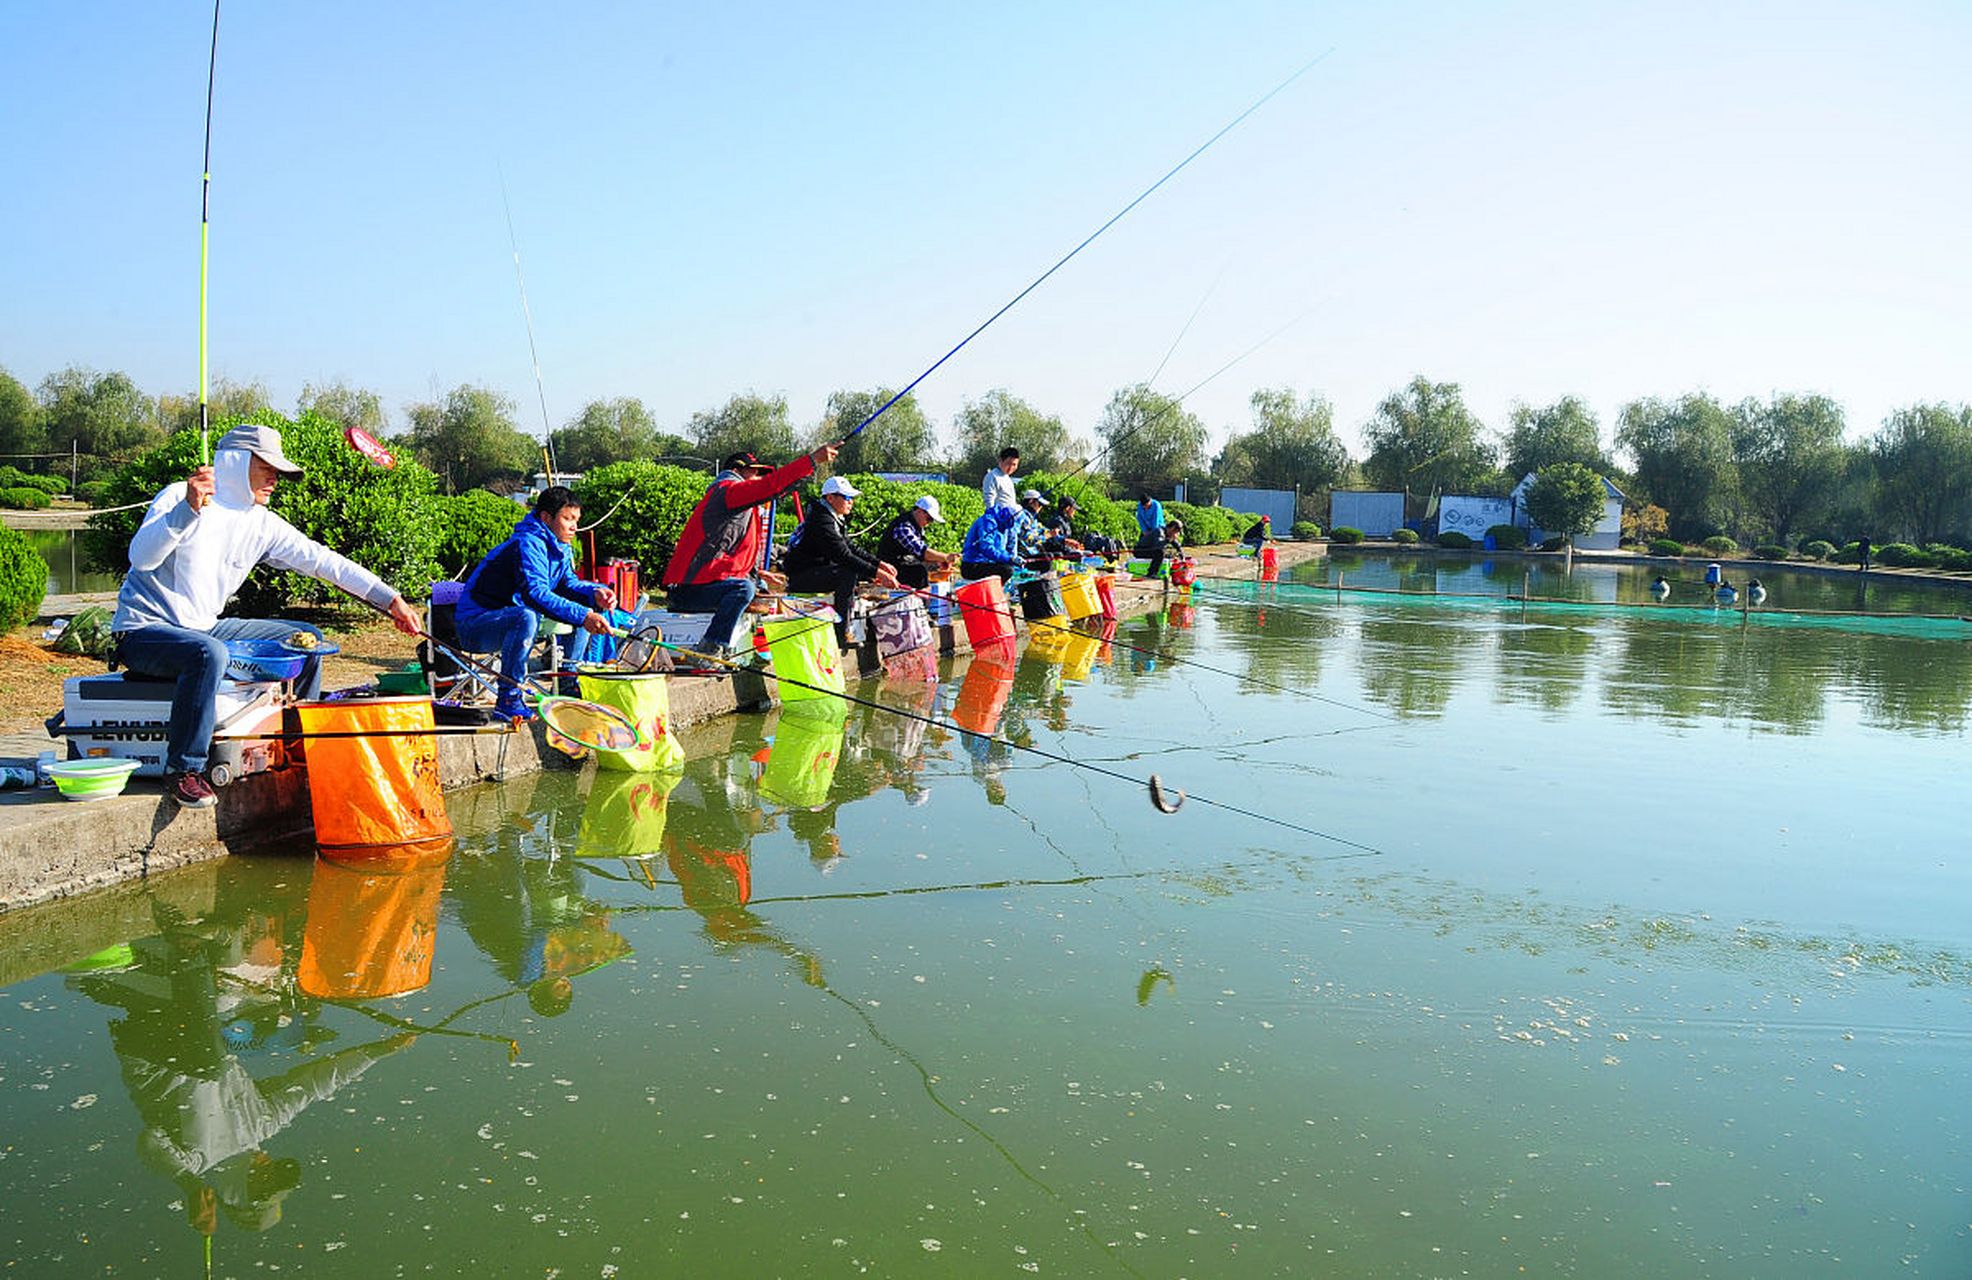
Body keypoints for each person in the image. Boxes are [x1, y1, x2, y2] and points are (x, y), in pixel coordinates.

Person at [112, 424, 423, 809]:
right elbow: (141, 558)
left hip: (205, 628)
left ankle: (295, 748)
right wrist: (186, 511)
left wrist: (390, 600)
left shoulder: (261, 523)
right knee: (208, 653)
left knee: (306, 640)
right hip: (145, 633)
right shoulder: (181, 496)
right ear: (235, 462)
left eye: (279, 471)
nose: (275, 479)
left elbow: (325, 562)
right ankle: (184, 771)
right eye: (268, 468)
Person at [455, 486, 617, 721]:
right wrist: (583, 615)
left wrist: (596, 592)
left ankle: (565, 683)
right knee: (528, 616)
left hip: (516, 621)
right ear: (546, 517)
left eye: (577, 520)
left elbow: (568, 584)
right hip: (475, 626)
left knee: (583, 603)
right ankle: (508, 698)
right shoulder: (527, 543)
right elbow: (535, 593)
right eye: (568, 519)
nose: (574, 526)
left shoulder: (560, 545)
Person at [662, 444, 838, 657]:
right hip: (686, 591)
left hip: (704, 586)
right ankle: (711, 647)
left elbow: (727, 552)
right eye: (754, 472)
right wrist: (812, 460)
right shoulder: (728, 491)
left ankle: (754, 650)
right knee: (743, 589)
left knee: (759, 588)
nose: (758, 478)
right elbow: (770, 487)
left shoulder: (733, 501)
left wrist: (759, 575)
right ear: (737, 471)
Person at [780, 475, 900, 645]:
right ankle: (841, 634)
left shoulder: (833, 517)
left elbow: (851, 548)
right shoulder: (821, 521)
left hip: (817, 569)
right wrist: (879, 573)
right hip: (801, 576)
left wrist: (880, 564)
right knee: (848, 573)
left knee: (857, 572)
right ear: (830, 498)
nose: (851, 502)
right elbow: (842, 556)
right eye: (847, 498)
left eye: (851, 498)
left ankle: (853, 627)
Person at [875, 494, 956, 589]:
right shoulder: (903, 527)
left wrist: (938, 562)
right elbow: (921, 551)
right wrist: (945, 557)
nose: (929, 523)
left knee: (921, 570)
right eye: (929, 519)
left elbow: (919, 554)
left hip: (901, 565)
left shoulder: (916, 527)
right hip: (890, 570)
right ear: (920, 511)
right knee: (918, 571)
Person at [1018, 489, 1082, 560]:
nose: (1041, 507)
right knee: (1049, 559)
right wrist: (1047, 536)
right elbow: (1029, 541)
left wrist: (1064, 541)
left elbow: (1045, 531)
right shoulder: (1023, 518)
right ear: (1031, 502)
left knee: (1051, 557)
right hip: (1023, 556)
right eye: (1040, 504)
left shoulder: (1034, 520)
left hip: (1033, 553)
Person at [1134, 492, 1167, 577]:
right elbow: (1140, 518)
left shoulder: (1156, 505)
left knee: (1157, 549)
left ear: (1150, 501)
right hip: (1146, 529)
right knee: (1140, 547)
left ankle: (1153, 570)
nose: (1145, 507)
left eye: (1147, 505)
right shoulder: (1140, 506)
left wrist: (1151, 533)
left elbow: (1156, 521)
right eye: (1144, 506)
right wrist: (1144, 530)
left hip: (1157, 529)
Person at [982, 445, 1020, 511]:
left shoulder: (1008, 479)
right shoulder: (992, 476)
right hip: (998, 518)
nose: (1011, 468)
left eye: (1014, 464)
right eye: (1008, 463)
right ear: (1000, 461)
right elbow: (989, 501)